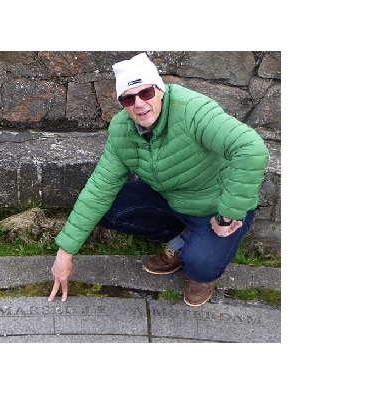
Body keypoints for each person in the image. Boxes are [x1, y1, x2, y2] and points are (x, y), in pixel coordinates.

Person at [48, 52, 269, 306]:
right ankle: (182, 239)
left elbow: (251, 149)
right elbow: (100, 188)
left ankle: (198, 253)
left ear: (160, 90)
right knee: (106, 208)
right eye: (129, 98)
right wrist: (65, 252)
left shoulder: (192, 111)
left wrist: (226, 216)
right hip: (172, 198)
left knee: (199, 266)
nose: (139, 104)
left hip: (216, 206)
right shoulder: (121, 130)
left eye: (146, 93)